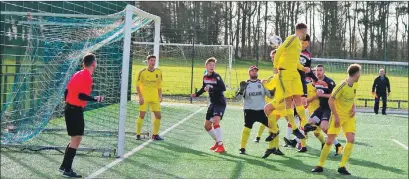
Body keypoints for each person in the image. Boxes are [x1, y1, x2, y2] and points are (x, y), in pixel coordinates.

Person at [311, 64, 361, 175]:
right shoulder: (341, 86)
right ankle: (320, 165)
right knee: (329, 141)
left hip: (349, 117)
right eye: (360, 73)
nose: (360, 75)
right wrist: (336, 116)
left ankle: (342, 166)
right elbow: (331, 101)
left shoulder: (355, 84)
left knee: (351, 139)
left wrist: (354, 108)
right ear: (356, 74)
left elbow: (353, 97)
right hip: (338, 116)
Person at [60, 53, 104, 178]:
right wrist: (96, 99)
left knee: (76, 138)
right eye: (96, 61)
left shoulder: (77, 73)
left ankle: (64, 166)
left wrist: (68, 102)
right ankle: (67, 170)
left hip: (71, 108)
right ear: (94, 63)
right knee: (76, 139)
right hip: (74, 110)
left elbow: (67, 91)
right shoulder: (87, 76)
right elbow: (80, 95)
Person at [273, 23, 310, 148]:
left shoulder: (299, 42)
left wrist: (302, 68)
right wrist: (275, 67)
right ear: (301, 30)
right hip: (285, 73)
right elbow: (279, 50)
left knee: (298, 99)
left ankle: (304, 124)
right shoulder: (292, 38)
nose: (305, 34)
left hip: (294, 73)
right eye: (305, 31)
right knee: (289, 100)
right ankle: (294, 127)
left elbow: (295, 60)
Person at [236, 66, 278, 155]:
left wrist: (273, 91)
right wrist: (241, 90)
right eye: (252, 71)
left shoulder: (262, 83)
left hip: (262, 111)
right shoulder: (245, 84)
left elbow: (270, 96)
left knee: (274, 127)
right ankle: (242, 149)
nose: (254, 72)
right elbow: (238, 98)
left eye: (256, 71)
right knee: (247, 129)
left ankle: (274, 148)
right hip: (249, 110)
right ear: (249, 73)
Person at [302, 64, 343, 155]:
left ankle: (337, 145)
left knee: (324, 127)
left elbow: (335, 96)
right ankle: (337, 145)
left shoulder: (329, 82)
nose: (318, 72)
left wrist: (322, 95)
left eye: (320, 70)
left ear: (324, 71)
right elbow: (309, 76)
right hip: (320, 108)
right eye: (317, 70)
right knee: (309, 123)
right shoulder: (316, 82)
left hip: (329, 108)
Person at [191, 57, 227, 153]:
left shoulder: (217, 76)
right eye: (210, 65)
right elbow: (204, 87)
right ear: (206, 66)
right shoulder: (205, 76)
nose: (212, 67)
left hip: (220, 103)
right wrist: (197, 94)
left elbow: (223, 88)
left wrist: (211, 89)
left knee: (215, 122)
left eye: (213, 65)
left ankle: (221, 145)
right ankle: (217, 142)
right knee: (207, 126)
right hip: (212, 103)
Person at [136, 55, 163, 140]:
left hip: (154, 97)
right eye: (151, 60)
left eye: (154, 61)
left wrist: (160, 95)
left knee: (158, 116)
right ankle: (138, 134)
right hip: (145, 96)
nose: (153, 62)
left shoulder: (158, 72)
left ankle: (155, 135)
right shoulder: (142, 72)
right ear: (148, 62)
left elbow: (159, 85)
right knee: (142, 115)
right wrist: (140, 97)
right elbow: (137, 86)